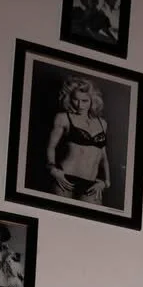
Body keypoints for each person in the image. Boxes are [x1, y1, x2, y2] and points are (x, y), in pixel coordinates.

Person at [45, 75, 110, 204]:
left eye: (85, 101)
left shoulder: (102, 123)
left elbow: (103, 156)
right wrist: (52, 169)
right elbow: (50, 147)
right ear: (70, 98)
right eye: (76, 100)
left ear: (93, 100)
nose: (80, 105)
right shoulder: (63, 117)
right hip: (65, 178)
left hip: (92, 184)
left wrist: (106, 182)